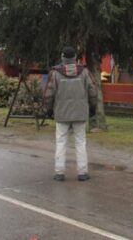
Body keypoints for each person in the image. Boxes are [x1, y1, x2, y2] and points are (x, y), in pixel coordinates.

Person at [43, 46, 98, 182]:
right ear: (75, 58)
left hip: (61, 113)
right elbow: (93, 91)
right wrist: (92, 108)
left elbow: (48, 94)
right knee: (80, 142)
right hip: (80, 113)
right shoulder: (84, 72)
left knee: (61, 142)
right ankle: (82, 173)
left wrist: (48, 110)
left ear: (63, 58)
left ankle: (59, 173)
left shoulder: (55, 73)